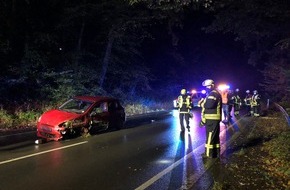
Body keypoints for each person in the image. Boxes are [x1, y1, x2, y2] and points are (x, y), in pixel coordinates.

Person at [199, 79, 222, 158]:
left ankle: (209, 154)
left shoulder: (213, 94)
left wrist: (202, 103)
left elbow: (209, 105)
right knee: (214, 136)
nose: (207, 88)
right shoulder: (212, 93)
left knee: (210, 136)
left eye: (208, 86)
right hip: (212, 119)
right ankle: (216, 152)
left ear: (212, 85)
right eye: (206, 86)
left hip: (212, 119)